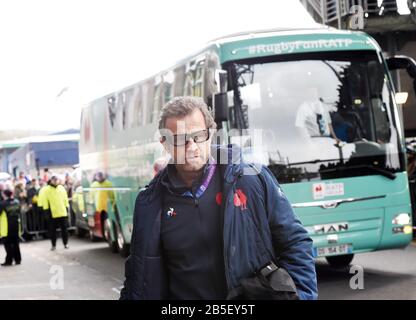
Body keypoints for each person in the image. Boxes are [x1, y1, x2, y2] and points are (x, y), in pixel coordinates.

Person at [120, 96, 317, 300]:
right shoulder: (149, 203)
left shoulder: (252, 180)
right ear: (165, 143)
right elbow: (137, 276)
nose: (191, 147)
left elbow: (296, 243)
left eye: (199, 136)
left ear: (211, 134)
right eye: (180, 139)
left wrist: (301, 297)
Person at [42, 174, 70, 250]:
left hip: (62, 212)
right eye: (54, 180)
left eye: (56, 180)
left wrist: (67, 208)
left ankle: (65, 243)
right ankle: (53, 245)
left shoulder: (61, 188)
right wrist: (46, 212)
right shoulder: (47, 189)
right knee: (52, 231)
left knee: (64, 229)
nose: (55, 181)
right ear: (51, 181)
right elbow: (45, 201)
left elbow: (65, 199)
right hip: (52, 213)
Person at [0, 189, 22, 266]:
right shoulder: (17, 202)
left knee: (8, 244)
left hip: (7, 227)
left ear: (4, 195)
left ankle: (9, 261)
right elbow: (19, 211)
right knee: (16, 243)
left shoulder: (3, 204)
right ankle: (18, 260)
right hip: (16, 225)